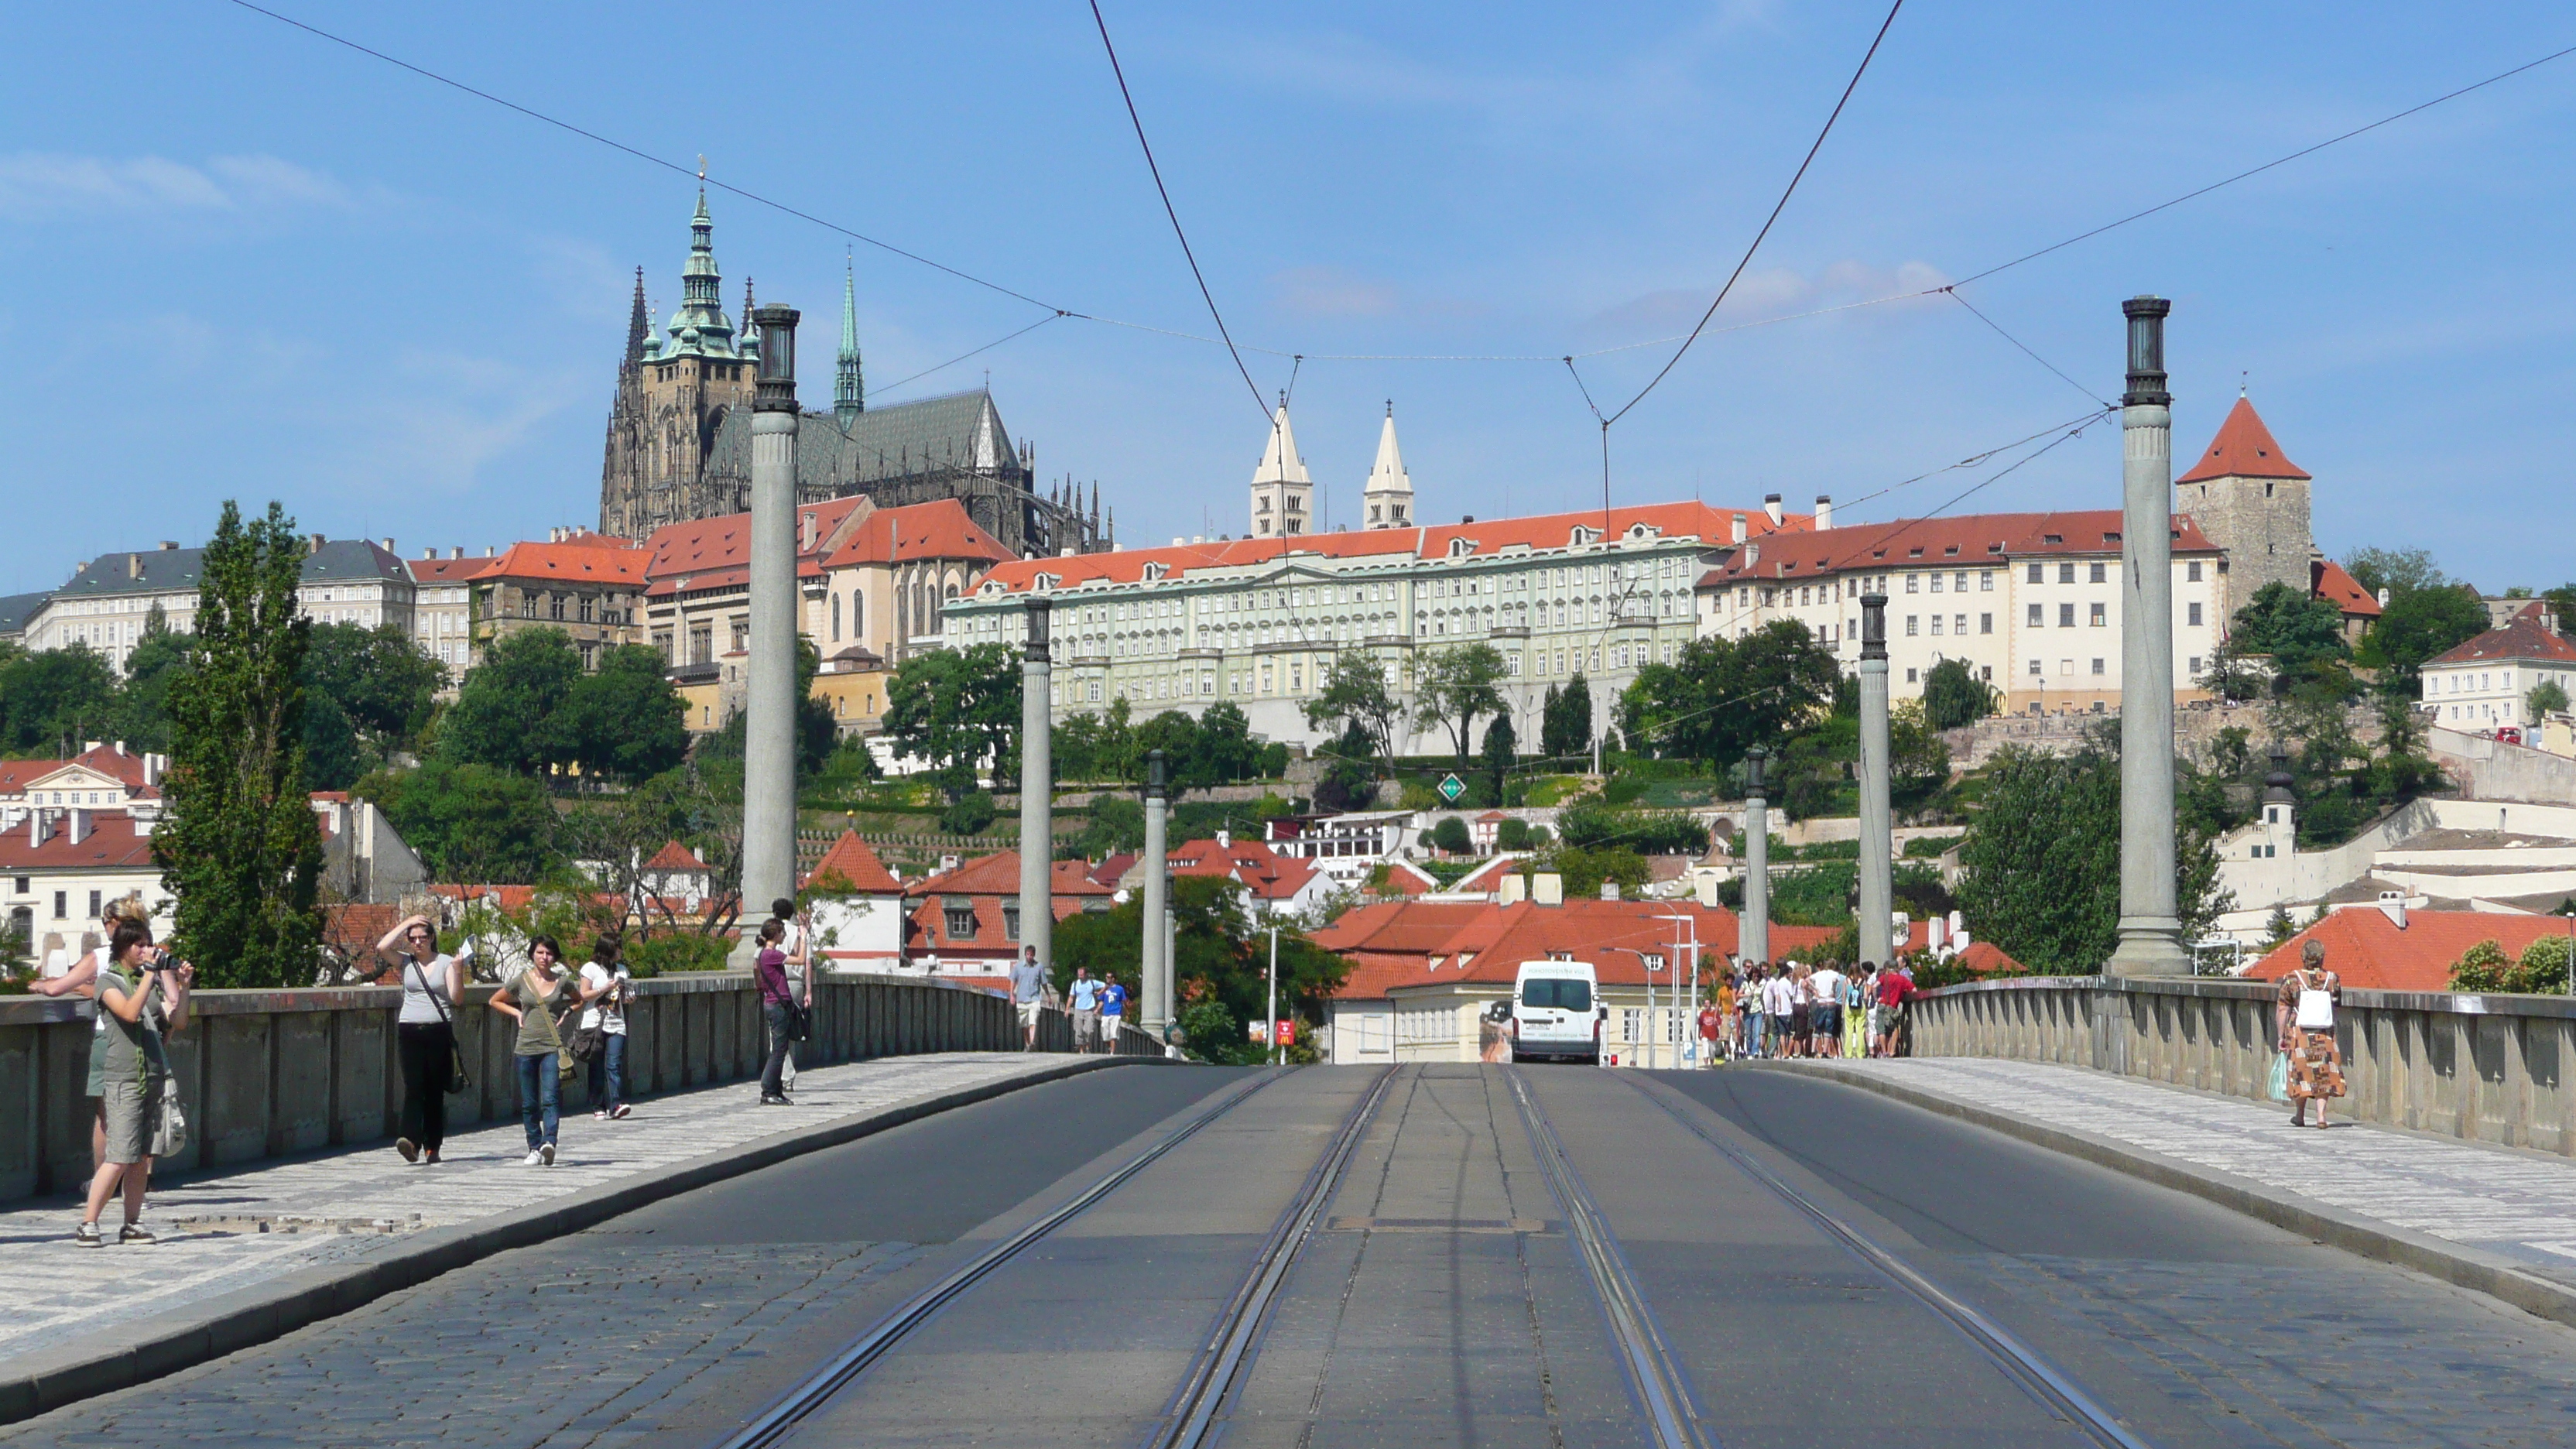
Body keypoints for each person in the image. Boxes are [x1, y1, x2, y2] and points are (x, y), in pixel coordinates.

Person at [78, 919, 192, 1246]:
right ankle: (88, 1223)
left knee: (142, 1155)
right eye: (138, 945)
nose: (146, 950)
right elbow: (128, 1012)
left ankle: (132, 1222)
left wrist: (183, 987)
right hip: (123, 1078)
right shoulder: (107, 981)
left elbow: (179, 1021)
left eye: (148, 943)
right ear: (123, 949)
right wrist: (150, 975)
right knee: (120, 1154)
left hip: (153, 1077)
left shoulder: (151, 984)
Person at [34, 900, 135, 1177]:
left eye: (106, 921)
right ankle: (139, 1182)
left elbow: (56, 989)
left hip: (111, 1039)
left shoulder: (103, 956)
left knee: (105, 1116)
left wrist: (41, 985)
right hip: (143, 1039)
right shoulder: (148, 954)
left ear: (115, 923)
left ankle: (103, 1182)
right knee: (139, 1113)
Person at [381, 913, 463, 1163]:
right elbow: (382, 947)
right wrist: (407, 922)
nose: (418, 943)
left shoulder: (446, 962)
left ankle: (432, 1145)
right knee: (414, 1087)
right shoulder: (406, 962)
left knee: (434, 1090)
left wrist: (459, 971)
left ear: (432, 938)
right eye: (413, 938)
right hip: (409, 1029)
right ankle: (410, 1140)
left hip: (438, 1029)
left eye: (423, 937)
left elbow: (457, 998)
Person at [488, 934, 569, 1165]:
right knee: (529, 1102)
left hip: (552, 1046)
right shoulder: (522, 980)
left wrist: (567, 1012)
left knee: (550, 1098)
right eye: (541, 952)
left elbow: (579, 998)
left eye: (550, 953)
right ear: (533, 954)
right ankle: (534, 1147)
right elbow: (495, 1000)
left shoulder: (562, 982)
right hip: (526, 1046)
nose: (545, 957)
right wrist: (517, 1013)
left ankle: (549, 1142)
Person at [2277, 939, 2345, 1129]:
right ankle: (2321, 1116)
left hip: (2300, 1034)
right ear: (2322, 957)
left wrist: (2281, 1036)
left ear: (2303, 957)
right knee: (2323, 1073)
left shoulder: (2292, 978)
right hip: (2325, 1033)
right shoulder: (2332, 979)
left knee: (2302, 1073)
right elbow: (2336, 1005)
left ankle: (2300, 1115)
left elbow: (2283, 1009)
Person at [577, 934, 634, 1122]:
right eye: (618, 948)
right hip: (595, 1022)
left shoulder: (622, 970)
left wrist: (629, 997)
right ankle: (597, 1105)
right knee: (596, 1065)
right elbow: (584, 995)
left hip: (616, 1022)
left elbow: (626, 996)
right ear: (608, 949)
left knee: (614, 1064)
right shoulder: (590, 969)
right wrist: (605, 988)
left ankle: (616, 1104)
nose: (621, 952)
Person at [768, 898, 810, 1091]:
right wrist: (808, 990)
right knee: (792, 1030)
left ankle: (782, 1076)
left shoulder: (771, 932)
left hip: (777, 984)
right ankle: (786, 1077)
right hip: (796, 984)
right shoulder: (798, 932)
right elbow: (807, 963)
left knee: (777, 1032)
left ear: (775, 913)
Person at [755, 920, 796, 1105]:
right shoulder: (771, 954)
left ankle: (776, 1090)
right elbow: (800, 960)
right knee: (778, 1051)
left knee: (781, 1049)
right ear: (776, 934)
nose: (785, 936)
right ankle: (768, 1090)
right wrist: (803, 938)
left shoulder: (764, 954)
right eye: (783, 932)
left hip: (776, 1004)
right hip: (777, 1006)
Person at [1010, 945, 1047, 1050]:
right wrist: (1011, 994)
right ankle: (1028, 1044)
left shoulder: (1039, 967)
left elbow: (1044, 982)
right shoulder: (1018, 967)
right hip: (1021, 999)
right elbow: (1013, 980)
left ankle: (1032, 1041)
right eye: (1028, 954)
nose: (1030, 957)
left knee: (1033, 1020)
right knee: (1024, 1024)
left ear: (1034, 955)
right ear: (1025, 954)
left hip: (1034, 998)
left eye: (1031, 955)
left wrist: (1048, 995)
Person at [1808, 960, 1845, 1058]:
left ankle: (1813, 1050)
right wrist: (1832, 989)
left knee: (1818, 1027)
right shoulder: (1834, 974)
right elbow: (1836, 981)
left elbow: (1807, 979)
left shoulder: (1818, 974)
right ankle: (1825, 1052)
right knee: (1828, 1028)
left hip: (1821, 1002)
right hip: (1831, 1002)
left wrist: (1815, 989)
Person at [1759, 964, 1796, 1060]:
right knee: (1790, 1033)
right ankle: (1785, 1052)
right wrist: (1779, 1005)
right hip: (1785, 1010)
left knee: (1781, 1034)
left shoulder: (1777, 982)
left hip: (1776, 1012)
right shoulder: (1784, 983)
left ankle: (1783, 1052)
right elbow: (1790, 995)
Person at [1098, 972, 1127, 1051]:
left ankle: (1112, 1052)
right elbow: (1101, 1001)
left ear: (1113, 979)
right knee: (1105, 1035)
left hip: (1115, 1013)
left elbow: (1124, 1001)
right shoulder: (1105, 989)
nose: (1106, 978)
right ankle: (1110, 1046)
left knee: (1113, 1034)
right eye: (1106, 977)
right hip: (1106, 1014)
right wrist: (1097, 1009)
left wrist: (1126, 1012)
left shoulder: (1120, 989)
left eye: (1108, 977)